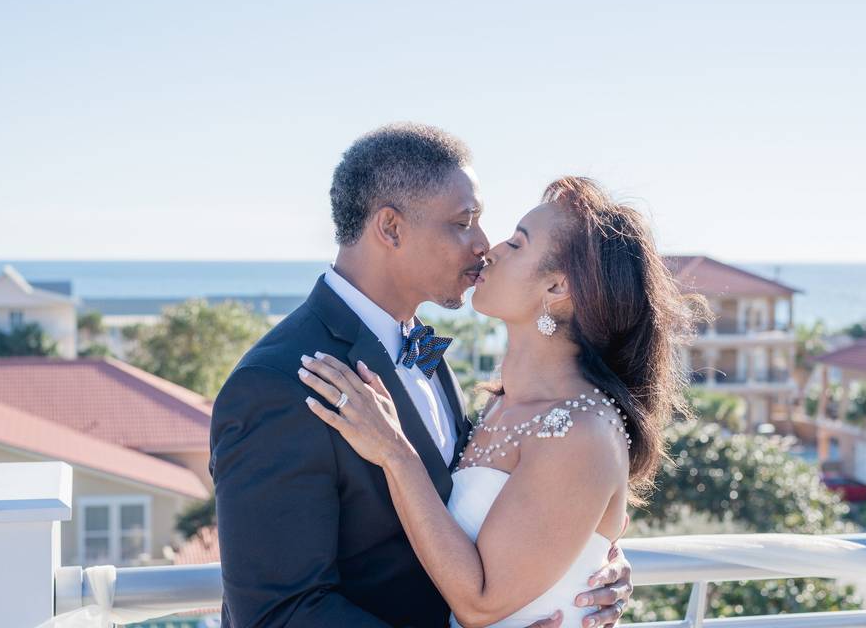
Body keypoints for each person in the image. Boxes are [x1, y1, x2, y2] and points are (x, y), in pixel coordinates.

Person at [209, 124, 634, 627]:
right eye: (463, 222)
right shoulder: (278, 381)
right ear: (391, 228)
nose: (483, 245)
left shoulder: (426, 352)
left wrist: (579, 566)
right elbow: (279, 614)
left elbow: (485, 512)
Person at [298, 175, 702, 626]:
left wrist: (394, 451)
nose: (490, 250)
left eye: (517, 243)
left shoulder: (581, 430)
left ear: (556, 288)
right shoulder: (502, 405)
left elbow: (481, 603)